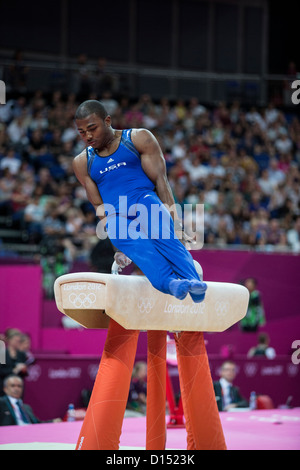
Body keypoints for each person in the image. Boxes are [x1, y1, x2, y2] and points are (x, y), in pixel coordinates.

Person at [73, 100, 207, 303]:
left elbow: (161, 183)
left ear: (107, 120)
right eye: (82, 132)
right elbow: (98, 205)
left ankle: (193, 282)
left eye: (92, 128)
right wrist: (118, 249)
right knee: (132, 242)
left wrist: (176, 226)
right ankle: (172, 284)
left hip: (144, 201)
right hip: (117, 215)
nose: (88, 136)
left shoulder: (137, 138)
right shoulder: (82, 162)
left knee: (164, 236)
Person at [0, 329, 28, 396]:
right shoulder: (2, 353)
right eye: (16, 341)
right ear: (10, 340)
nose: (18, 343)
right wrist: (14, 370)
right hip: (4, 386)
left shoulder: (21, 354)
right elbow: (1, 371)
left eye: (19, 341)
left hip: (18, 386)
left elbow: (24, 374)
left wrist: (23, 369)